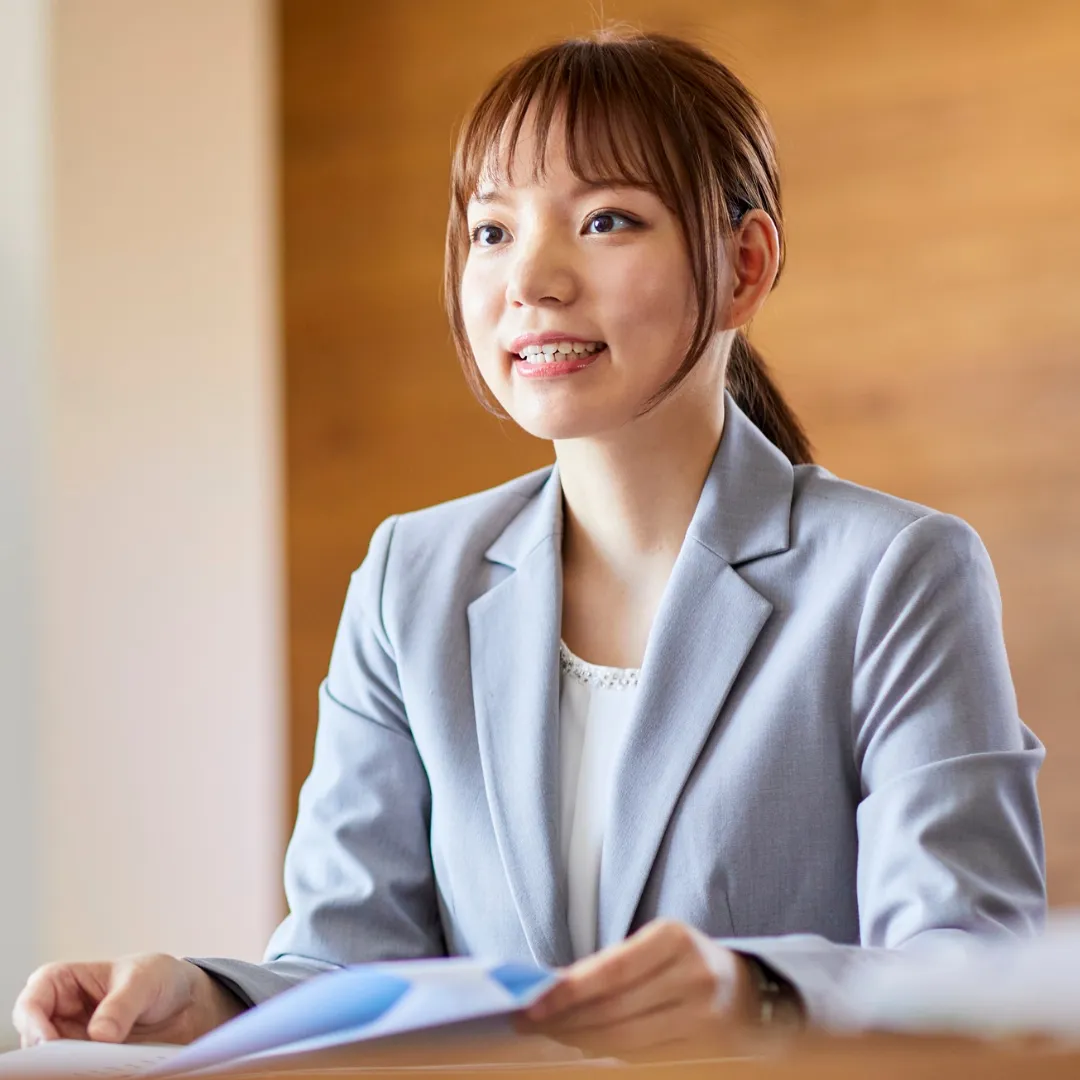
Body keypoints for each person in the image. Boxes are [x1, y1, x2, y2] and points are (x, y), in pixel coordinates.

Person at [13, 29, 1046, 1057]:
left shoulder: (897, 574)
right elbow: (350, 967)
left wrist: (760, 990)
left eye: (605, 220)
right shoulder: (408, 580)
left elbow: (974, 971)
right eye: (492, 230)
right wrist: (208, 1000)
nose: (531, 280)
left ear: (745, 265)